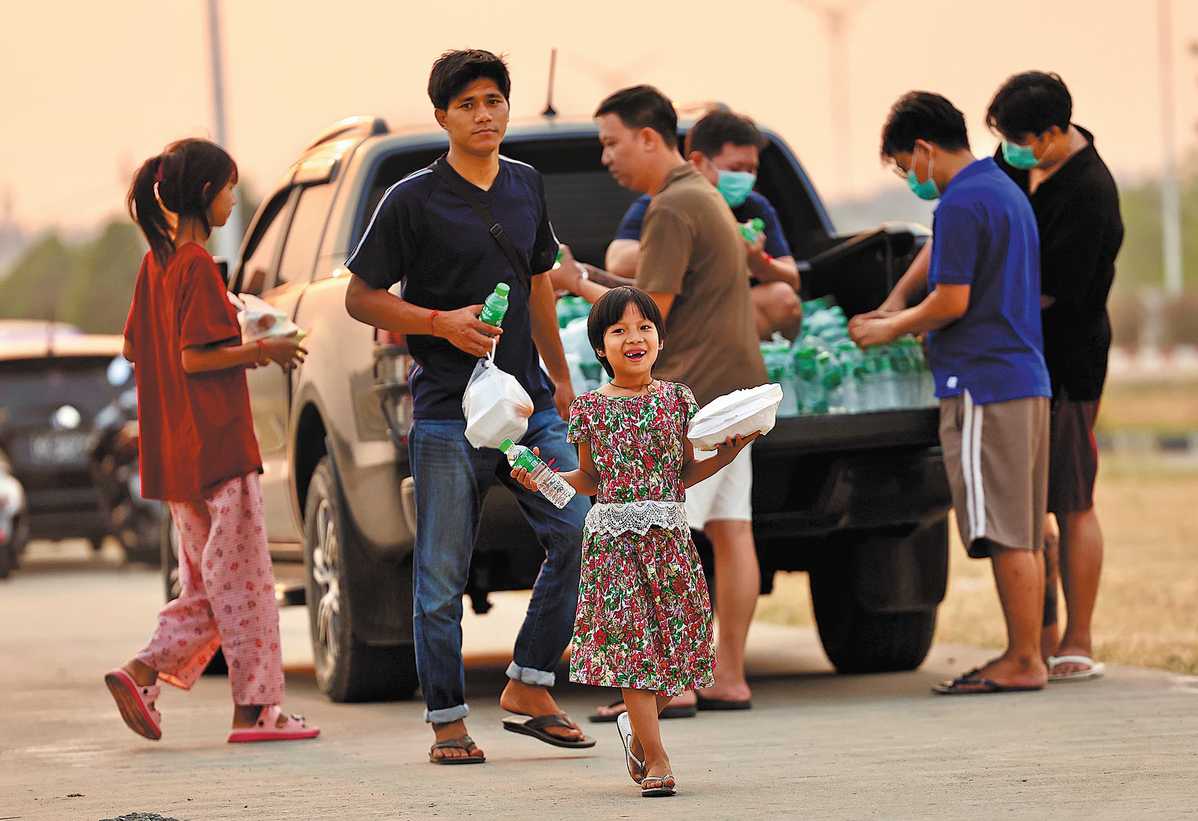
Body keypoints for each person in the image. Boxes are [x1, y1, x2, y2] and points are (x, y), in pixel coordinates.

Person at [342, 49, 593, 764]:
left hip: (528, 415)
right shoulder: (411, 200)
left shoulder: (526, 183)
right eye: (468, 105)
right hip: (450, 418)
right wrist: (439, 323)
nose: (485, 115)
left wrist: (560, 377)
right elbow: (361, 297)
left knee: (579, 528)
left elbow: (540, 282)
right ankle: (448, 721)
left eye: (494, 100)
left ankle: (529, 684)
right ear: (442, 117)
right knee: (441, 575)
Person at [559, 86, 768, 721]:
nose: (607, 158)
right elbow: (652, 293)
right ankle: (727, 676)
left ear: (649, 137)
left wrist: (575, 282)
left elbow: (649, 316)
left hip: (693, 398)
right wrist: (587, 277)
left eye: (612, 143)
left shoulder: (672, 206)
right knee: (731, 531)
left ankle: (668, 685)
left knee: (657, 540)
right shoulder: (701, 193)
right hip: (733, 395)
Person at [107, 138, 319, 743]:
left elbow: (133, 347)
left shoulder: (156, 264)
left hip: (175, 455)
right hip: (219, 446)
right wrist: (262, 349)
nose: (233, 198)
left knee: (207, 582)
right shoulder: (196, 264)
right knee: (244, 583)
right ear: (205, 193)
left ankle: (161, 682)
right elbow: (194, 357)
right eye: (228, 188)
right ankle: (248, 708)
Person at [511, 286, 758, 797]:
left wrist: (729, 454)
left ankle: (635, 725)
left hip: (670, 541)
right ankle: (658, 757)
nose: (633, 338)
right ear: (600, 348)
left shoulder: (678, 399)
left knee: (685, 650)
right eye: (618, 330)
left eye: (644, 327)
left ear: (660, 340)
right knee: (634, 652)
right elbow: (588, 479)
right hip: (614, 547)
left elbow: (684, 473)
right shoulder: (589, 409)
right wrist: (542, 478)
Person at [850, 91, 1051, 695]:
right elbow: (945, 257)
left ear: (923, 149)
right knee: (1024, 527)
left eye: (903, 167)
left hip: (982, 384)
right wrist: (896, 303)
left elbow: (951, 301)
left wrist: (889, 327)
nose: (909, 178)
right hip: (1023, 379)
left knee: (1004, 529)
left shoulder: (961, 201)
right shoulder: (1000, 189)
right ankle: (1030, 652)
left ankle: (1023, 659)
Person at [987, 71, 1124, 683]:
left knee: (1071, 499)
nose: (1009, 151)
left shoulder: (1091, 191)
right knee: (1027, 507)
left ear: (1052, 132)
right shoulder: (1016, 162)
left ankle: (1078, 638)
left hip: (1067, 362)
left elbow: (1055, 293)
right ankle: (1034, 639)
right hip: (1016, 360)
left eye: (1018, 140)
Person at [596, 109, 803, 340]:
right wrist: (701, 247)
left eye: (751, 169)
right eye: (735, 169)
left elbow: (791, 279)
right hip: (682, 315)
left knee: (780, 297)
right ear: (698, 162)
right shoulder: (665, 203)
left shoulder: (754, 206)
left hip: (735, 312)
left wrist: (756, 259)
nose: (745, 178)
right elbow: (618, 261)